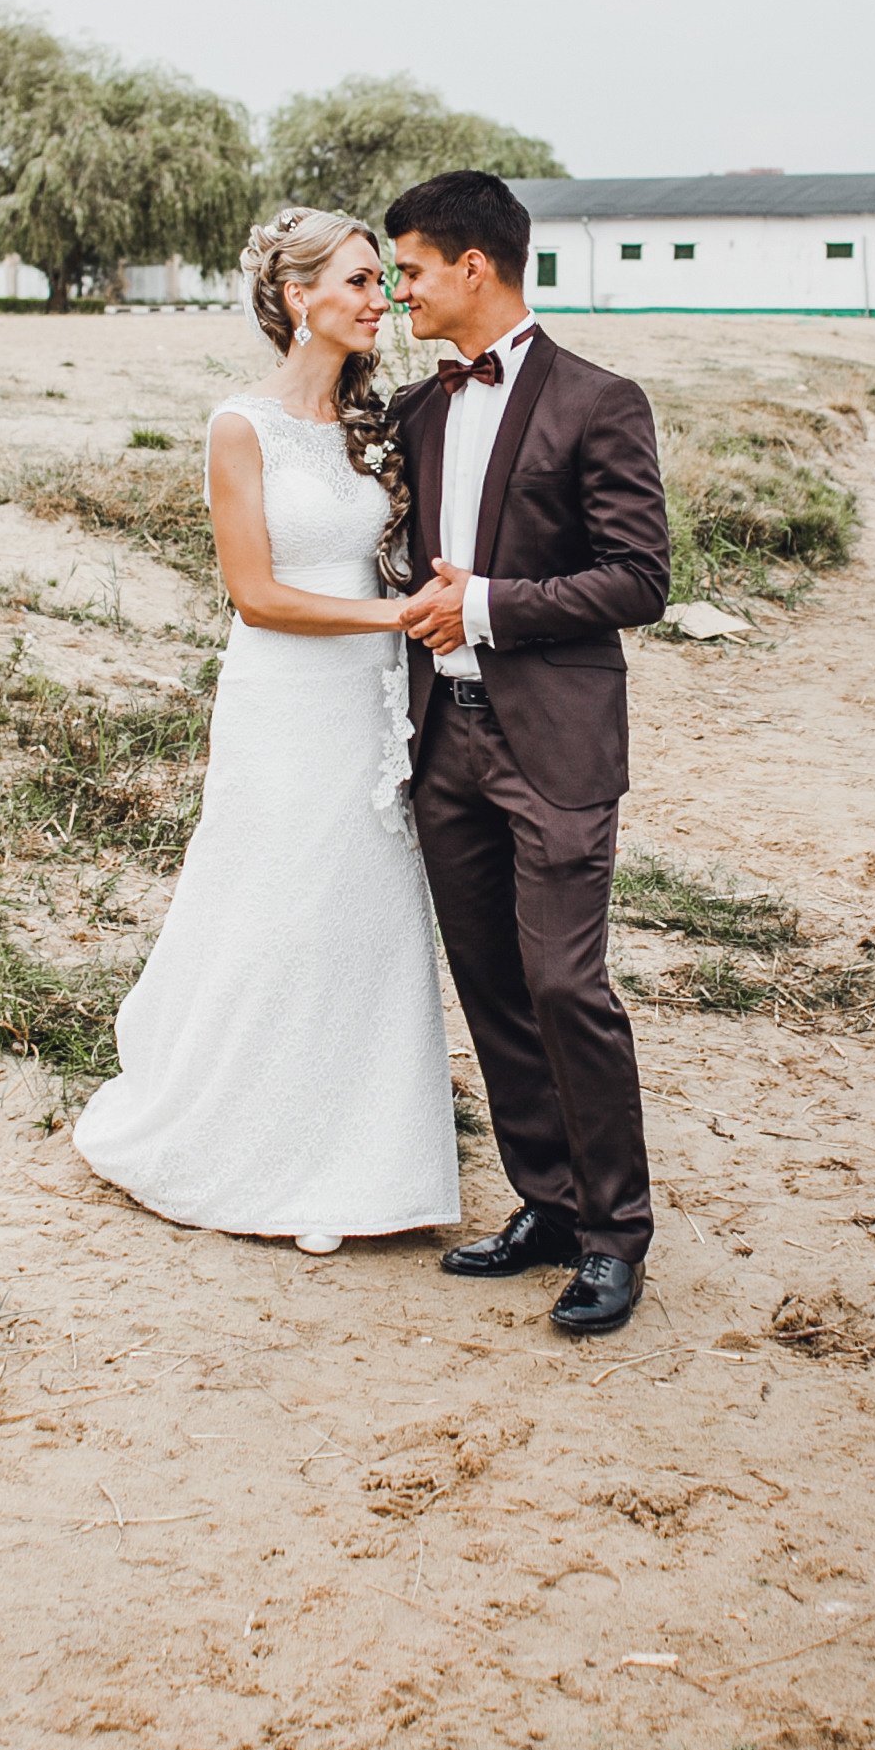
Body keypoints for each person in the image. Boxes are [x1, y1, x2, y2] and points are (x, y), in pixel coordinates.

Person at [71, 210, 460, 1256]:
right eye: (361, 280)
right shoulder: (238, 426)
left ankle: (372, 1164)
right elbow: (255, 593)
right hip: (285, 699)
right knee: (277, 900)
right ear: (298, 297)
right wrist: (396, 616)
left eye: (384, 281)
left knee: (366, 912)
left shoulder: (383, 423)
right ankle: (238, 1142)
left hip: (373, 702)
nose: (382, 299)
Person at [387, 170, 672, 1340]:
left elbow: (639, 576)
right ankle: (546, 1208)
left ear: (472, 266)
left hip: (549, 737)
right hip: (437, 734)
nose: (400, 287)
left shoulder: (600, 401)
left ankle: (614, 1236)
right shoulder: (415, 409)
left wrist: (488, 606)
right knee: (493, 988)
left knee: (564, 982)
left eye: (409, 267)